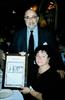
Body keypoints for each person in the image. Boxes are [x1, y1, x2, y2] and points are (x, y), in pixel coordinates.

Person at [10, 8, 65, 82]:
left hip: (43, 70)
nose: (30, 20)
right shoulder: (18, 34)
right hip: (23, 70)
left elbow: (55, 51)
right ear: (24, 20)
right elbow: (12, 50)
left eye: (33, 17)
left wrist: (60, 67)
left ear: (38, 19)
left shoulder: (48, 34)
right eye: (27, 17)